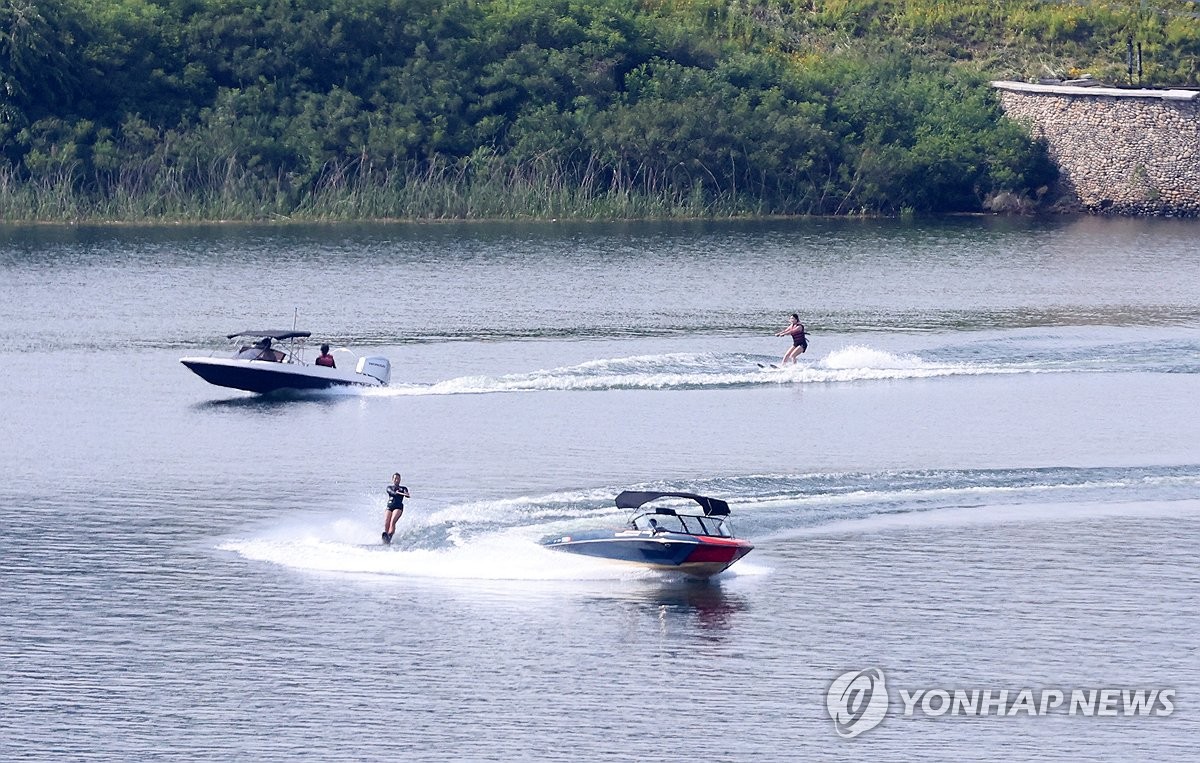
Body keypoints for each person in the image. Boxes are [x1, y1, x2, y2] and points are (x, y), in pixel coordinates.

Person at [382, 472, 410, 545]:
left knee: (392, 521)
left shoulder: (403, 488)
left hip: (398, 507)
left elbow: (406, 494)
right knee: (386, 521)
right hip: (389, 507)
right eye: (395, 478)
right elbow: (391, 492)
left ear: (400, 479)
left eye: (398, 478)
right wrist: (396, 492)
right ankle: (386, 537)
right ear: (392, 479)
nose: (396, 480)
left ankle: (390, 536)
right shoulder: (389, 488)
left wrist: (406, 494)